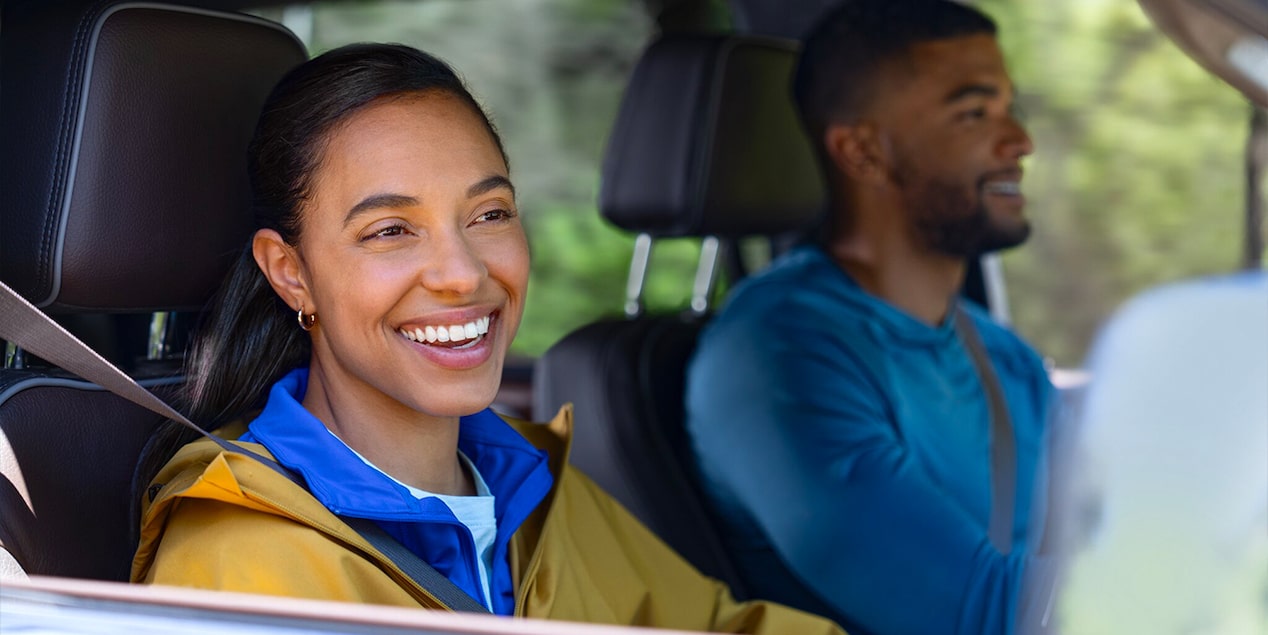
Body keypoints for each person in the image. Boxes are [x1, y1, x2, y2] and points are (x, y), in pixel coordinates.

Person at [129, 43, 843, 634]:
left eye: (489, 213)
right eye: (390, 230)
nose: (463, 273)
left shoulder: (531, 488)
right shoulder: (239, 570)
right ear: (291, 274)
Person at [684, 1, 1055, 634]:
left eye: (1009, 110)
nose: (1020, 141)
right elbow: (988, 615)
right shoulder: (779, 358)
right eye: (974, 113)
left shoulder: (1006, 359)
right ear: (862, 152)